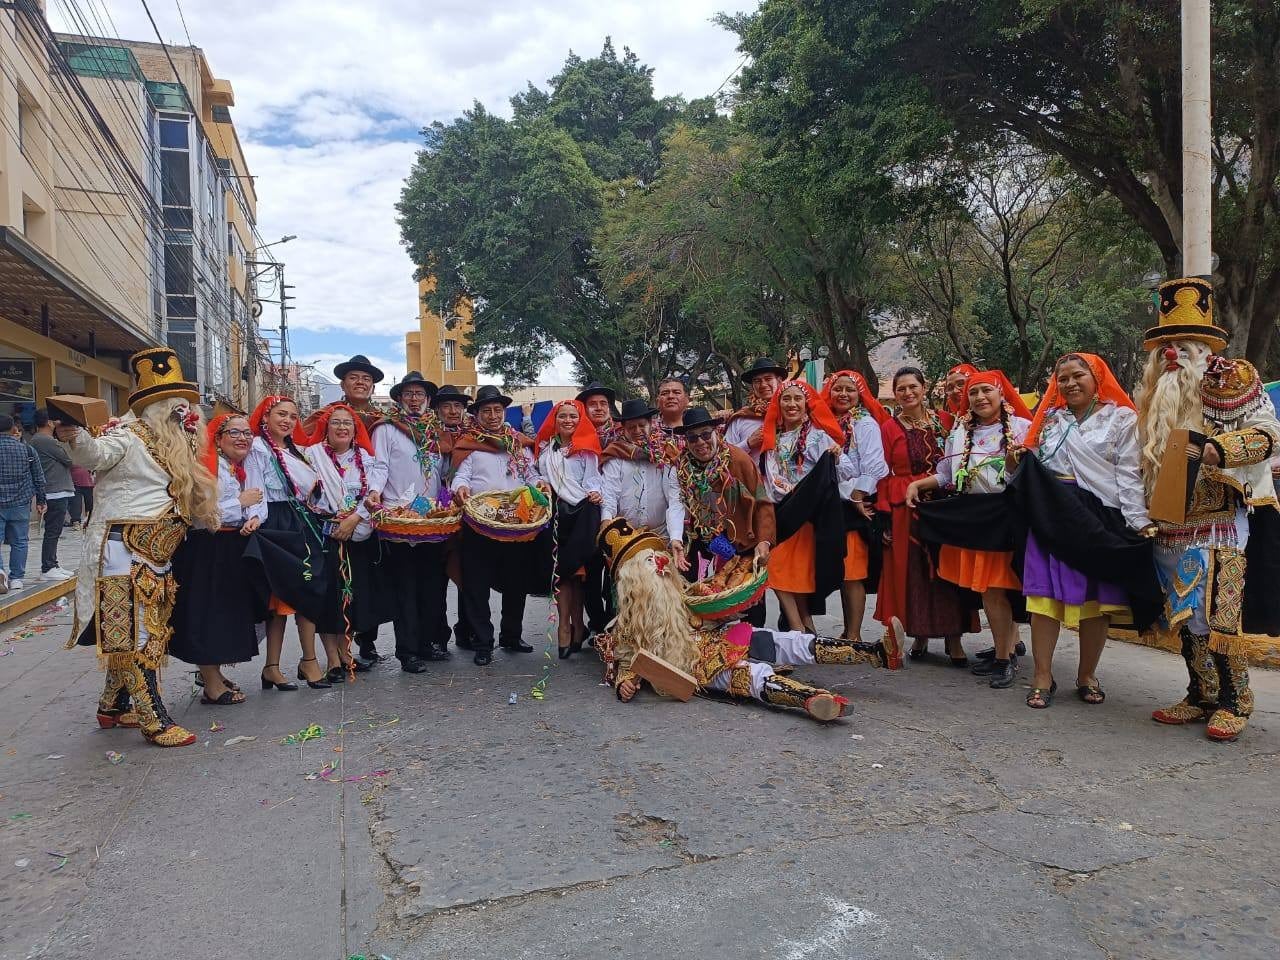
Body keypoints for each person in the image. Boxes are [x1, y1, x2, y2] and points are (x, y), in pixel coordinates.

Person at [1136, 278, 1280, 742]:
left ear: (1203, 347)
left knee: (1218, 614)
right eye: (1165, 345)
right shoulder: (1153, 396)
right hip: (1169, 522)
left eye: (1182, 344)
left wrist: (1222, 448)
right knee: (1183, 614)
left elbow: (1268, 433)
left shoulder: (1233, 378)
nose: (1172, 354)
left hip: (1221, 518)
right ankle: (1201, 693)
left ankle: (1236, 701)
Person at [57, 347, 219, 747]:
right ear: (156, 408)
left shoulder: (181, 446)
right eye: (175, 403)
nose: (185, 411)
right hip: (121, 553)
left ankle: (113, 705)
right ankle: (153, 719)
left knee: (141, 630)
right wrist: (73, 434)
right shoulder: (126, 436)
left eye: (187, 402)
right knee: (136, 635)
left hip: (157, 555)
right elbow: (94, 454)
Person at [593, 518, 902, 720]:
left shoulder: (680, 592)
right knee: (754, 677)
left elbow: (709, 593)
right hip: (701, 668)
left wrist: (731, 576)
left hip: (726, 637)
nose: (658, 564)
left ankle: (876, 652)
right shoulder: (627, 628)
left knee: (786, 642)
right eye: (647, 562)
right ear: (634, 581)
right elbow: (625, 662)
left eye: (654, 557)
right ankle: (814, 701)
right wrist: (626, 685)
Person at [1015, 354, 1157, 709]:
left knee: (1096, 604)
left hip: (1095, 517)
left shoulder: (1121, 419)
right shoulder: (1049, 420)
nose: (1070, 384)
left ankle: (1087, 674)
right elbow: (1030, 465)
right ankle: (1042, 676)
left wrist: (1137, 520)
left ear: (1097, 378)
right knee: (1043, 602)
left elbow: (1128, 473)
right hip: (1052, 512)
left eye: (1078, 376)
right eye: (1062, 379)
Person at [908, 370, 1033, 689]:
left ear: (1002, 394)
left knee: (995, 589)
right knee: (988, 589)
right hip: (975, 516)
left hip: (1005, 515)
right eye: (974, 393)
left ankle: (1005, 659)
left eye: (986, 391)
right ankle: (1005, 651)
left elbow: (1035, 475)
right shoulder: (962, 431)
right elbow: (948, 475)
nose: (979, 397)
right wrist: (918, 484)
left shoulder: (1022, 428)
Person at [874, 367, 975, 664]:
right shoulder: (889, 428)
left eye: (912, 387)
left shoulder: (945, 422)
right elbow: (881, 472)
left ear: (924, 387)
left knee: (946, 571)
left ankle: (954, 638)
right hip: (907, 506)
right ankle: (919, 634)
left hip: (944, 504)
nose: (907, 393)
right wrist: (884, 515)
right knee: (915, 572)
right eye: (901, 388)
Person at [169, 414, 265, 704]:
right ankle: (211, 682)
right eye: (234, 432)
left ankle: (214, 674)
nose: (242, 438)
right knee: (208, 614)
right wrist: (241, 502)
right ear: (219, 439)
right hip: (207, 548)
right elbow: (198, 515)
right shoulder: (204, 468)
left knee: (225, 613)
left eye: (247, 433)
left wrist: (252, 517)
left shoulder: (238, 468)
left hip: (230, 545)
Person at [450, 385, 549, 665]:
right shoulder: (469, 444)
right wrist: (461, 489)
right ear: (477, 414)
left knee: (516, 581)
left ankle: (511, 635)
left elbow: (531, 473)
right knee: (476, 584)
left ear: (504, 412)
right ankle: (483, 642)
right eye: (486, 411)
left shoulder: (517, 444)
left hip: (516, 523)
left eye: (497, 410)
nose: (492, 415)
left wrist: (539, 483)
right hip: (479, 523)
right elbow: (461, 476)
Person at [304, 354, 389, 666]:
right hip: (327, 529)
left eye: (366, 379)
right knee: (334, 592)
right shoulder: (321, 418)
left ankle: (365, 645)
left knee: (366, 586)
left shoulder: (383, 421)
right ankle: (336, 655)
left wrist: (359, 515)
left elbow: (378, 474)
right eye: (355, 377)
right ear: (343, 383)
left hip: (365, 521)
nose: (361, 383)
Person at [242, 395, 331, 691]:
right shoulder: (257, 448)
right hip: (275, 522)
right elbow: (254, 487)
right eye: (281, 414)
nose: (288, 421)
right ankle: (272, 666)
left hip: (299, 519)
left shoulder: (293, 450)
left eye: (293, 416)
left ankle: (309, 659)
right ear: (265, 417)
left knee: (308, 588)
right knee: (279, 598)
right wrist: (256, 518)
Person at [372, 372, 451, 671]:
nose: (415, 399)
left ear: (428, 400)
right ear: (400, 399)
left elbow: (443, 472)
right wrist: (374, 493)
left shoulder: (434, 432)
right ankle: (407, 652)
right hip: (399, 519)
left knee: (431, 587)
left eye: (420, 394)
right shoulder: (387, 429)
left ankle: (426, 644)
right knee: (404, 587)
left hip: (430, 520)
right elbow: (379, 466)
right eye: (409, 394)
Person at [669, 407, 775, 627]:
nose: (700, 442)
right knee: (703, 603)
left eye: (706, 434)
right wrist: (676, 539)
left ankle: (749, 648)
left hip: (741, 541)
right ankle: (710, 649)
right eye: (692, 437)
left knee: (747, 606)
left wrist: (764, 541)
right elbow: (676, 503)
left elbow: (762, 502)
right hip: (703, 544)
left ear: (716, 432)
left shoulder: (738, 459)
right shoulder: (680, 467)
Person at [758, 380, 847, 633]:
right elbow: (769, 477)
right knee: (780, 571)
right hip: (783, 511)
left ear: (807, 404)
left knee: (790, 571)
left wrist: (837, 457)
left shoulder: (819, 437)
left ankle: (801, 626)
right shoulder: (772, 439)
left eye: (798, 398)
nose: (792, 404)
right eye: (786, 399)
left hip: (808, 514)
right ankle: (803, 626)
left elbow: (847, 470)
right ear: (778, 404)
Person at [821, 371, 890, 641]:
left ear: (859, 394)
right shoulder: (824, 423)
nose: (843, 394)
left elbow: (875, 466)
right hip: (834, 503)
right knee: (842, 571)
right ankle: (848, 630)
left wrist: (858, 496)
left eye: (850, 389)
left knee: (852, 573)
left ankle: (854, 634)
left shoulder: (865, 424)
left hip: (855, 503)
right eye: (837, 389)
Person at [535, 399, 603, 657]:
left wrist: (595, 493)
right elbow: (538, 475)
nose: (568, 421)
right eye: (562, 416)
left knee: (579, 574)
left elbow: (593, 479)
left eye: (573, 416)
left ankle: (579, 625)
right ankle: (565, 627)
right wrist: (542, 485)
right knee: (562, 574)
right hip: (555, 515)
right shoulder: (545, 449)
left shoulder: (586, 449)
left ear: (580, 419)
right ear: (555, 419)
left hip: (583, 513)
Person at [600, 398, 682, 540]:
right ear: (624, 428)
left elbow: (674, 497)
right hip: (626, 537)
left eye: (641, 425)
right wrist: (606, 520)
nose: (637, 431)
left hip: (662, 534)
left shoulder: (664, 453)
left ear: (650, 424)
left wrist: (676, 535)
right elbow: (609, 493)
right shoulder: (615, 454)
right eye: (631, 427)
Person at [431, 384, 473, 651]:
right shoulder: (427, 435)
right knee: (436, 580)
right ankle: (438, 635)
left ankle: (467, 631)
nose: (452, 410)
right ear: (437, 409)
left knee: (468, 575)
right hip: (434, 515)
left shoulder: (474, 436)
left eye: (457, 406)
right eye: (447, 406)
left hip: (467, 516)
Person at [576, 381, 619, 636]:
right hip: (587, 512)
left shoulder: (623, 435)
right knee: (591, 574)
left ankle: (615, 623)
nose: (599, 408)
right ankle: (597, 623)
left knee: (614, 573)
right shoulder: (576, 436)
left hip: (616, 512)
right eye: (593, 404)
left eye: (603, 404)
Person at [0, 412, 45, 594]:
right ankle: (17, 578)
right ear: (13, 429)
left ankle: (0, 572)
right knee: (20, 541)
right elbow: (39, 477)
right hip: (20, 502)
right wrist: (41, 500)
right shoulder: (26, 449)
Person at [29, 410, 75, 581]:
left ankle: (53, 564)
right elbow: (69, 459)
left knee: (54, 530)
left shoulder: (40, 440)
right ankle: (48, 567)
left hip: (55, 490)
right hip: (54, 491)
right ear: (49, 422)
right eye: (55, 419)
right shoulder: (45, 440)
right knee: (52, 531)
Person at [725, 358, 786, 453]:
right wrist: (748, 444)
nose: (763, 385)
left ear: (779, 381)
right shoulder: (740, 419)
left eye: (768, 379)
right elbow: (724, 457)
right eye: (757, 381)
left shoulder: (792, 414)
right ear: (753, 386)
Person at [68, 463, 95, 530]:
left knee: (89, 503)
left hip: (88, 483)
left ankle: (88, 521)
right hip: (75, 483)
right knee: (75, 503)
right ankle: (76, 522)